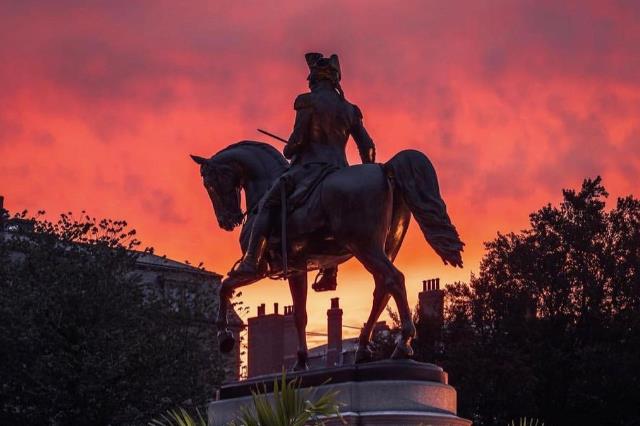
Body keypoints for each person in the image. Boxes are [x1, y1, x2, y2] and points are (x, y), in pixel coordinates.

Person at [224, 52, 376, 289]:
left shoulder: (307, 101)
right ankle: (329, 273)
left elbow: (297, 140)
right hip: (339, 170)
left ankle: (251, 259)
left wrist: (290, 148)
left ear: (315, 79)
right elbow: (367, 147)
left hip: (308, 171)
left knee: (266, 203)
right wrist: (368, 177)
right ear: (335, 80)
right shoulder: (350, 110)